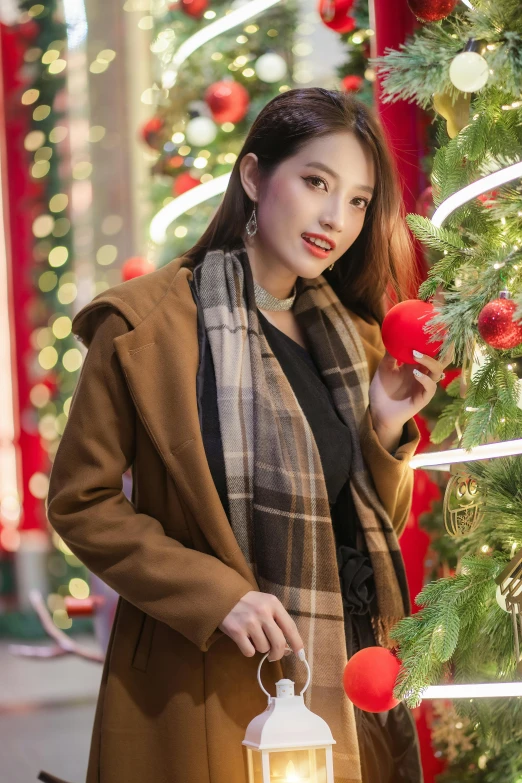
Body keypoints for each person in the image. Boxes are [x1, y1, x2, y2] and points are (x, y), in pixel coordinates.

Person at [46, 88, 452, 783]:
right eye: (316, 182)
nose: (336, 217)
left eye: (358, 199)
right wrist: (216, 592)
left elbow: (365, 531)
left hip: (345, 677)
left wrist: (384, 419)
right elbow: (81, 502)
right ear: (255, 176)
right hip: (201, 677)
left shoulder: (354, 340)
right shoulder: (147, 326)